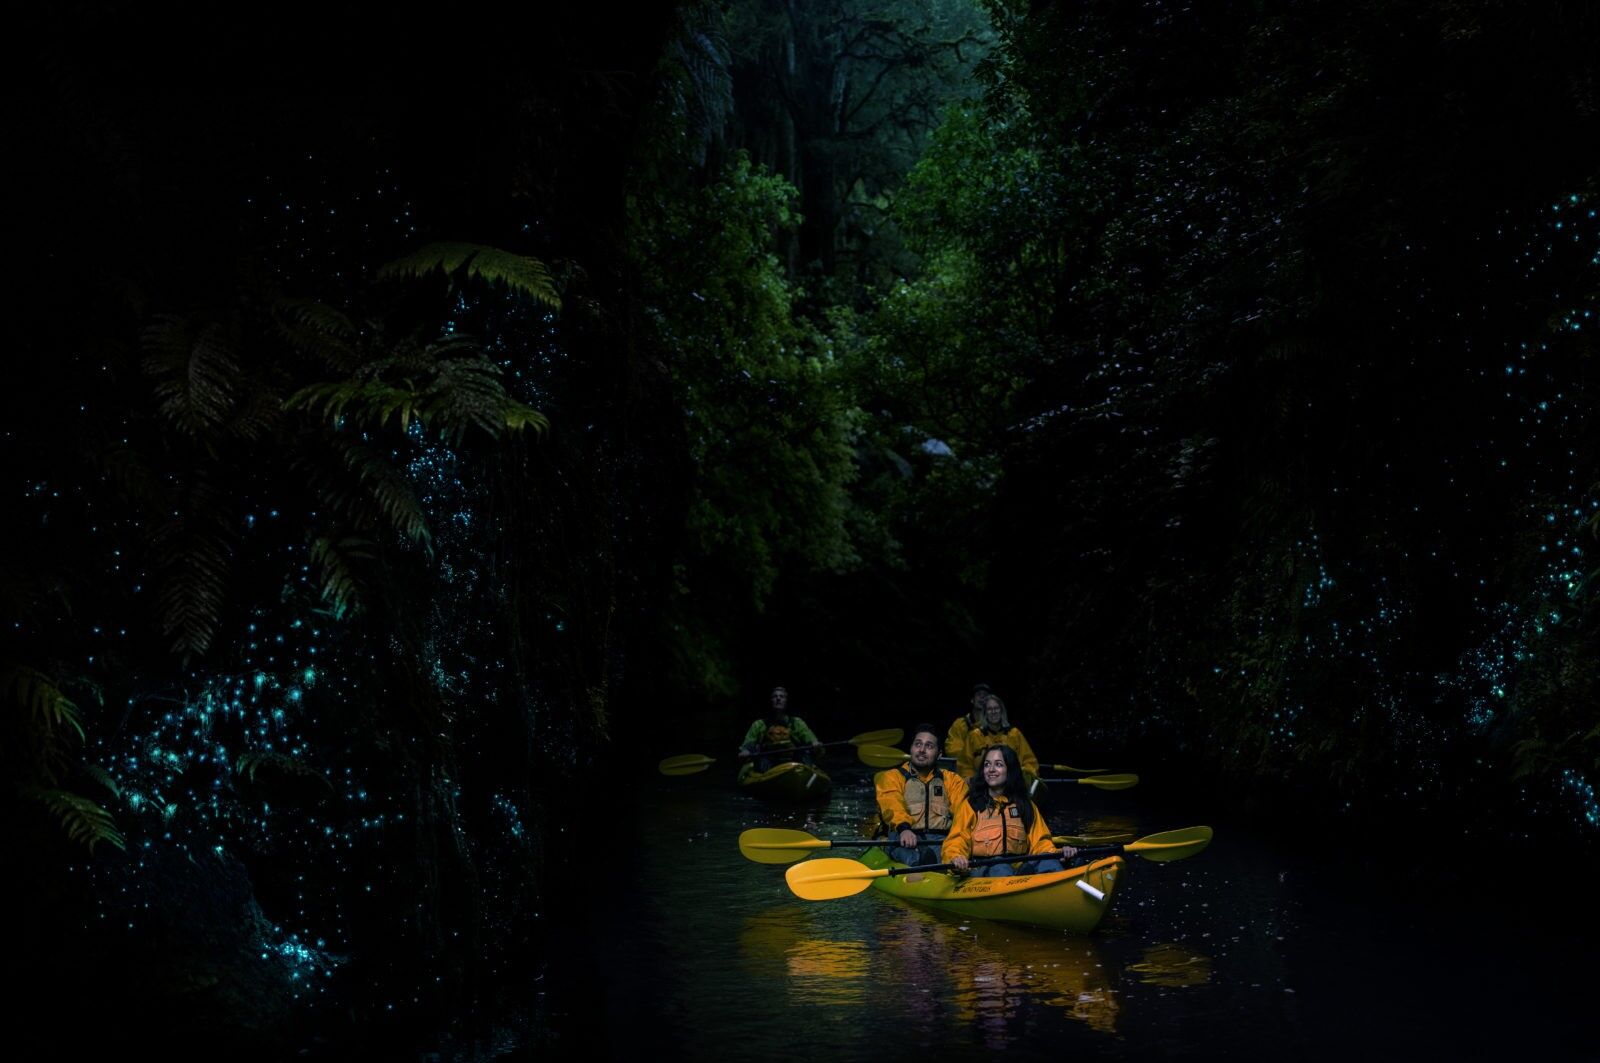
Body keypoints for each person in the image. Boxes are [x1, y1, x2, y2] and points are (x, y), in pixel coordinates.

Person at [941, 744, 1076, 876]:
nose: (991, 769)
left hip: (1020, 864)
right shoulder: (971, 805)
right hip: (984, 868)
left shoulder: (1025, 805)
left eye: (998, 764)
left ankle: (1046, 883)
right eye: (987, 764)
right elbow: (957, 839)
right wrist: (956, 857)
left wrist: (1057, 854)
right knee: (1000, 867)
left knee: (1049, 862)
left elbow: (1041, 843)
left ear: (1010, 770)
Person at [874, 723, 969, 866]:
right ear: (911, 749)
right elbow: (892, 803)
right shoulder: (892, 777)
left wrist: (956, 851)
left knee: (950, 858)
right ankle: (917, 862)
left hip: (941, 840)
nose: (922, 750)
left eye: (929, 746)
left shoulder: (953, 781)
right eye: (918, 744)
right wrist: (904, 829)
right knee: (916, 858)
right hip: (904, 838)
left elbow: (964, 816)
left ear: (939, 754)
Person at [738, 686, 823, 772]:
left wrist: (815, 743)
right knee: (760, 758)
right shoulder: (759, 724)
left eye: (782, 697)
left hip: (793, 760)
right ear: (770, 701)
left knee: (804, 752)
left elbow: (810, 738)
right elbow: (749, 744)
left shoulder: (796, 723)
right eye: (775, 696)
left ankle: (805, 774)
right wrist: (746, 751)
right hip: (769, 762)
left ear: (786, 701)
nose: (778, 698)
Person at [958, 694, 1040, 782]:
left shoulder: (1015, 734)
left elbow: (1030, 763)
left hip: (1011, 785)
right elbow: (965, 766)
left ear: (1002, 711)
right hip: (983, 787)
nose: (993, 711)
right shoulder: (974, 736)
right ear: (985, 713)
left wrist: (1021, 776)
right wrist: (973, 782)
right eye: (989, 709)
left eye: (996, 708)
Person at [944, 682, 992, 774]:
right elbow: (952, 748)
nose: (982, 698)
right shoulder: (960, 724)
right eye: (979, 695)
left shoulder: (995, 726)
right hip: (964, 774)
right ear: (972, 700)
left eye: (985, 695)